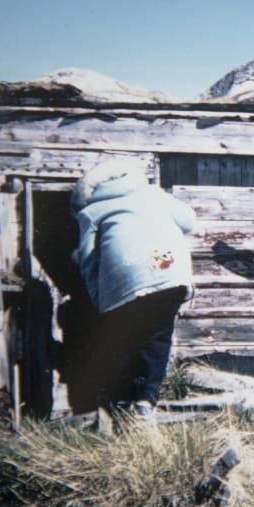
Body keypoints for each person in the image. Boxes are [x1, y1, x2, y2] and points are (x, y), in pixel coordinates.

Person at [70, 158, 195, 418]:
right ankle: (145, 401)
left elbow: (87, 259)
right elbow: (189, 221)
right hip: (168, 273)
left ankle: (120, 400)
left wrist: (99, 297)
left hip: (124, 279)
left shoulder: (91, 210)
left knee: (123, 338)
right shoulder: (152, 194)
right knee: (158, 336)